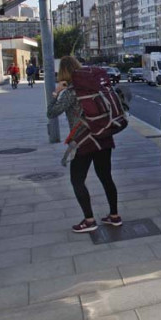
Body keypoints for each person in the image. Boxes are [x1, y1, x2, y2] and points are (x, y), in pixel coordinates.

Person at [46, 56, 121, 232]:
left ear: (63, 72)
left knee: (77, 180)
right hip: (103, 137)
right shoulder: (94, 87)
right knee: (106, 177)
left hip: (84, 141)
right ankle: (114, 216)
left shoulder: (71, 92)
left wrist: (56, 94)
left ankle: (89, 220)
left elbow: (51, 113)